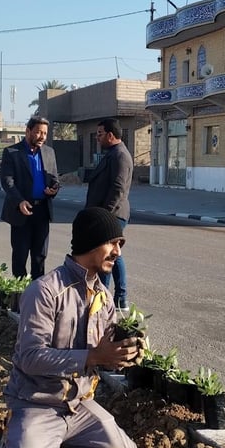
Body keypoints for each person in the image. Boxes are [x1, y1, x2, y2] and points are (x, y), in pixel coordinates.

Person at [0, 207, 145, 448]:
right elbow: (29, 357)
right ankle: (15, 436)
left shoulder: (104, 298)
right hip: (37, 405)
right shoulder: (45, 291)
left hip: (80, 408)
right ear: (91, 242)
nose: (118, 252)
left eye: (121, 244)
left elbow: (103, 355)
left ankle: (62, 443)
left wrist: (119, 357)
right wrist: (92, 356)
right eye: (113, 243)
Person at [0, 116, 60, 278]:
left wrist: (54, 189)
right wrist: (19, 201)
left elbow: (54, 178)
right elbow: (7, 181)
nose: (42, 137)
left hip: (42, 210)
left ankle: (37, 292)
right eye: (38, 132)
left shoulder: (49, 152)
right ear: (28, 131)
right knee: (20, 253)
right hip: (22, 211)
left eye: (45, 133)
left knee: (40, 255)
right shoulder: (12, 152)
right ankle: (19, 292)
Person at [84, 118, 133, 308]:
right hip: (108, 214)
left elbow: (118, 189)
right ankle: (116, 298)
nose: (97, 138)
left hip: (113, 215)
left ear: (111, 136)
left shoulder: (120, 155)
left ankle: (106, 298)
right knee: (113, 255)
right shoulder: (112, 153)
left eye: (100, 134)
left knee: (107, 255)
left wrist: (104, 216)